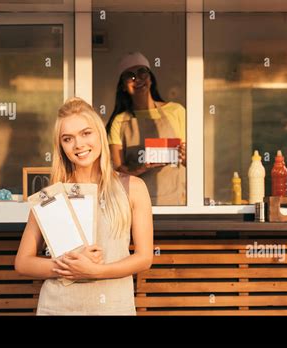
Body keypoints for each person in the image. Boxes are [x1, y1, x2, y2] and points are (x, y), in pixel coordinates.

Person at [15, 97, 154, 315]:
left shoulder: (133, 188)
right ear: (60, 146)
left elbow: (144, 258)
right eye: (68, 139)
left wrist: (96, 271)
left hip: (113, 308)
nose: (78, 144)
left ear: (99, 133)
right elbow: (23, 262)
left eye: (86, 133)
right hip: (58, 307)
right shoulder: (52, 195)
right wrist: (68, 267)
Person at [106, 52, 186, 206]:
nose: (138, 79)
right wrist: (141, 167)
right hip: (134, 205)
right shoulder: (119, 121)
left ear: (150, 77)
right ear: (123, 85)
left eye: (142, 72)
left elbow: (192, 162)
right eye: (130, 76)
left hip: (174, 204)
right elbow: (117, 171)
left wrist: (185, 155)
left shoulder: (176, 111)